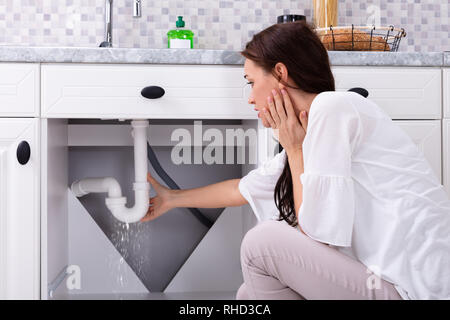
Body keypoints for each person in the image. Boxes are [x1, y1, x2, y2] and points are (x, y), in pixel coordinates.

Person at [140, 21, 450, 300]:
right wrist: (172, 199)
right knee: (248, 294)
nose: (249, 97)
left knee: (260, 243)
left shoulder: (333, 109)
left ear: (279, 73)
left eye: (250, 81)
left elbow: (319, 235)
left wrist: (294, 150)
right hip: (383, 285)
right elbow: (242, 189)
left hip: (416, 290)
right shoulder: (307, 132)